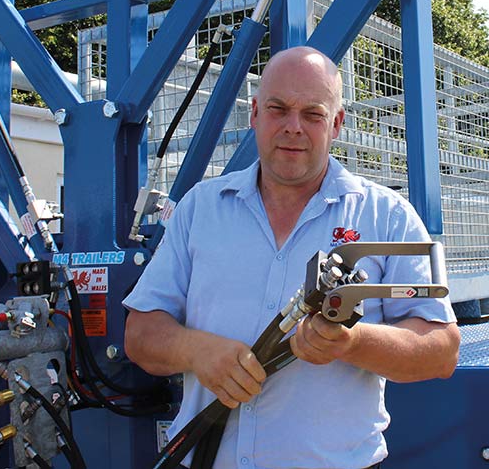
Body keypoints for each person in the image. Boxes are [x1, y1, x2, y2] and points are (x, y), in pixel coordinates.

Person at [123, 46, 460, 469]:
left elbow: (441, 351)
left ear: (336, 123)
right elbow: (140, 335)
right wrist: (196, 350)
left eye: (313, 114)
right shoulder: (200, 209)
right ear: (255, 114)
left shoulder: (385, 216)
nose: (293, 128)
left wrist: (351, 342)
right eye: (278, 109)